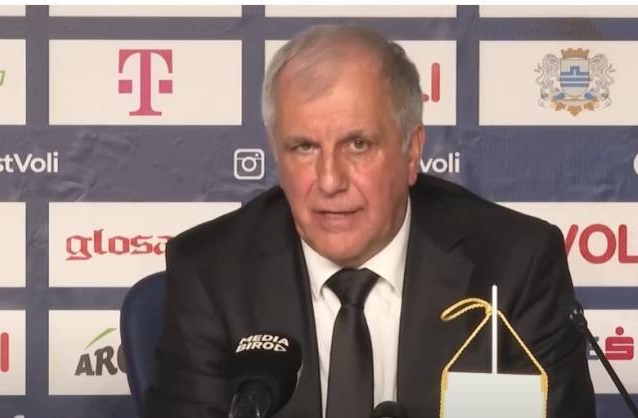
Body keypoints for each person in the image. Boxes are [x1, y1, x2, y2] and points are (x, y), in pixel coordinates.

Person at [144, 24, 596, 418]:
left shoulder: (516, 266)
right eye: (304, 147)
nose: (329, 180)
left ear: (411, 150)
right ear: (275, 152)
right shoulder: (211, 272)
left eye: (357, 144)